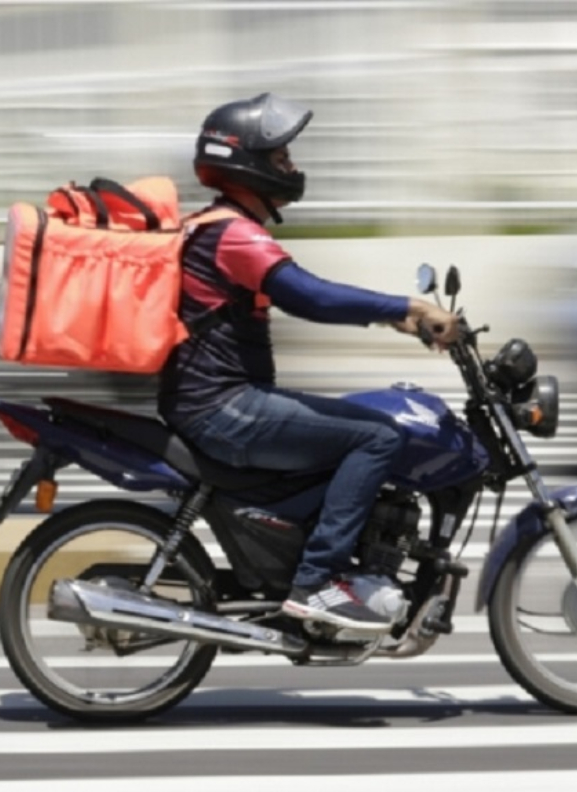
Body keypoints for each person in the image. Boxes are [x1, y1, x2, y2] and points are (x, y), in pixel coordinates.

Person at [158, 93, 460, 632]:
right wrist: (409, 305)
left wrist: (391, 319)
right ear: (244, 161)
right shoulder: (234, 234)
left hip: (215, 401)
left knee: (348, 430)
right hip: (223, 407)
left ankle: (308, 557)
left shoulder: (217, 226)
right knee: (377, 437)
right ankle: (317, 584)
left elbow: (310, 296)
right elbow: (310, 297)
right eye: (280, 158)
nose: (291, 168)